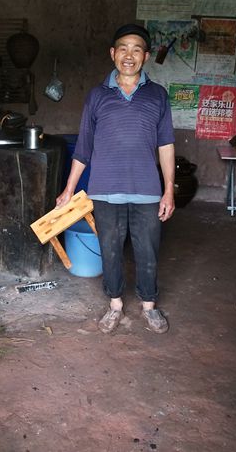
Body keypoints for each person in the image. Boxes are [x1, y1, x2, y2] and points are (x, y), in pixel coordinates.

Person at [55, 23, 176, 334]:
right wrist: (68, 189)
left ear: (145, 56)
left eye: (136, 50)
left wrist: (168, 191)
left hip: (147, 190)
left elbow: (166, 146)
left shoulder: (158, 95)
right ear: (113, 53)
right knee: (109, 251)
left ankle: (149, 306)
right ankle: (115, 305)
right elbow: (84, 147)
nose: (129, 55)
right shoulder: (97, 95)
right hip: (105, 189)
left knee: (147, 251)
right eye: (123, 49)